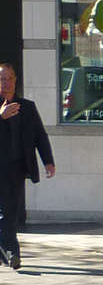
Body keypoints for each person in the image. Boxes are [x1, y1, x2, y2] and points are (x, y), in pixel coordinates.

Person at [0, 63, 55, 270]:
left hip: (17, 168)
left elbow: (40, 135)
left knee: (11, 212)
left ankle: (8, 252)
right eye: (2, 79)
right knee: (5, 212)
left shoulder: (27, 107)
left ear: (15, 80)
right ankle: (13, 253)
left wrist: (48, 161)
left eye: (9, 78)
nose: (5, 83)